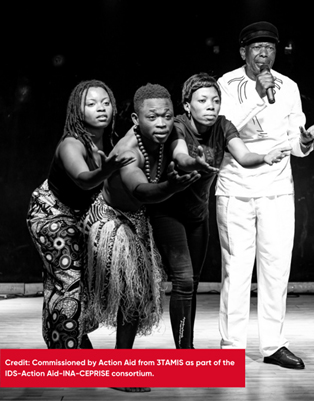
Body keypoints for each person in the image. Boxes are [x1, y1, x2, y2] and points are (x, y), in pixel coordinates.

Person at [146, 72, 289, 349]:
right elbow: (180, 157)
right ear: (187, 105)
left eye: (215, 100)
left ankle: (187, 347)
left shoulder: (223, 126)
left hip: (198, 215)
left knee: (193, 282)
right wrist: (195, 162)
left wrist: (264, 157)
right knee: (184, 280)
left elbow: (244, 156)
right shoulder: (177, 126)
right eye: (202, 100)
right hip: (169, 212)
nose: (210, 105)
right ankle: (185, 353)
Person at [216, 21, 314, 369]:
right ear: (243, 52)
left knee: (276, 268)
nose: (264, 54)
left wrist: (304, 142)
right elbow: (225, 126)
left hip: (277, 186)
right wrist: (259, 96)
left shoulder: (288, 86)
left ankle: (273, 345)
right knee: (237, 269)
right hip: (236, 186)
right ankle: (231, 348)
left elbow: (294, 138)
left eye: (270, 48)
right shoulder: (227, 83)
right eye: (257, 48)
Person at [83, 83, 199, 393]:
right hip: (109, 222)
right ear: (136, 119)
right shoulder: (127, 152)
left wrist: (192, 163)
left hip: (136, 220)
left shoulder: (168, 133)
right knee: (122, 298)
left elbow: (180, 151)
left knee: (133, 298)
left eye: (166, 116)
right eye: (153, 117)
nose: (161, 123)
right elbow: (140, 189)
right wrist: (170, 188)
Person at [26, 80, 134, 349]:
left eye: (106, 103)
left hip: (79, 216)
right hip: (50, 214)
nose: (101, 108)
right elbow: (84, 180)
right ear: (77, 110)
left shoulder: (108, 141)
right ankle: (69, 353)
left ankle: (66, 338)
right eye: (92, 103)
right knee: (68, 280)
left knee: (77, 281)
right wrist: (106, 170)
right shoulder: (71, 144)